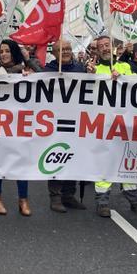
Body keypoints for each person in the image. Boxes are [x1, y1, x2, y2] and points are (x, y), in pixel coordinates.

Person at [85, 35, 137, 217]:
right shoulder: (92, 68)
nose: (105, 48)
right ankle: (102, 202)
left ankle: (134, 200)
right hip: (102, 126)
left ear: (112, 47)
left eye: (107, 45)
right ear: (96, 50)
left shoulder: (124, 66)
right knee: (104, 163)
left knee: (126, 161)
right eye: (101, 46)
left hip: (123, 126)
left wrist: (123, 78)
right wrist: (90, 75)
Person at [0, 39, 34, 216]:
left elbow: (43, 78)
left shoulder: (25, 70)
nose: (4, 54)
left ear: (14, 52)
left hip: (20, 124)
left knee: (22, 161)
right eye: (1, 51)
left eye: (7, 51)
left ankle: (23, 200)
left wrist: (30, 67)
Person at [43, 39, 87, 213]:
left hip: (76, 120)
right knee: (56, 156)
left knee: (73, 157)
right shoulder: (47, 71)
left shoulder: (80, 69)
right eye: (62, 50)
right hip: (55, 122)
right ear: (54, 53)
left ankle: (69, 195)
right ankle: (55, 197)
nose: (66, 52)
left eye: (68, 49)